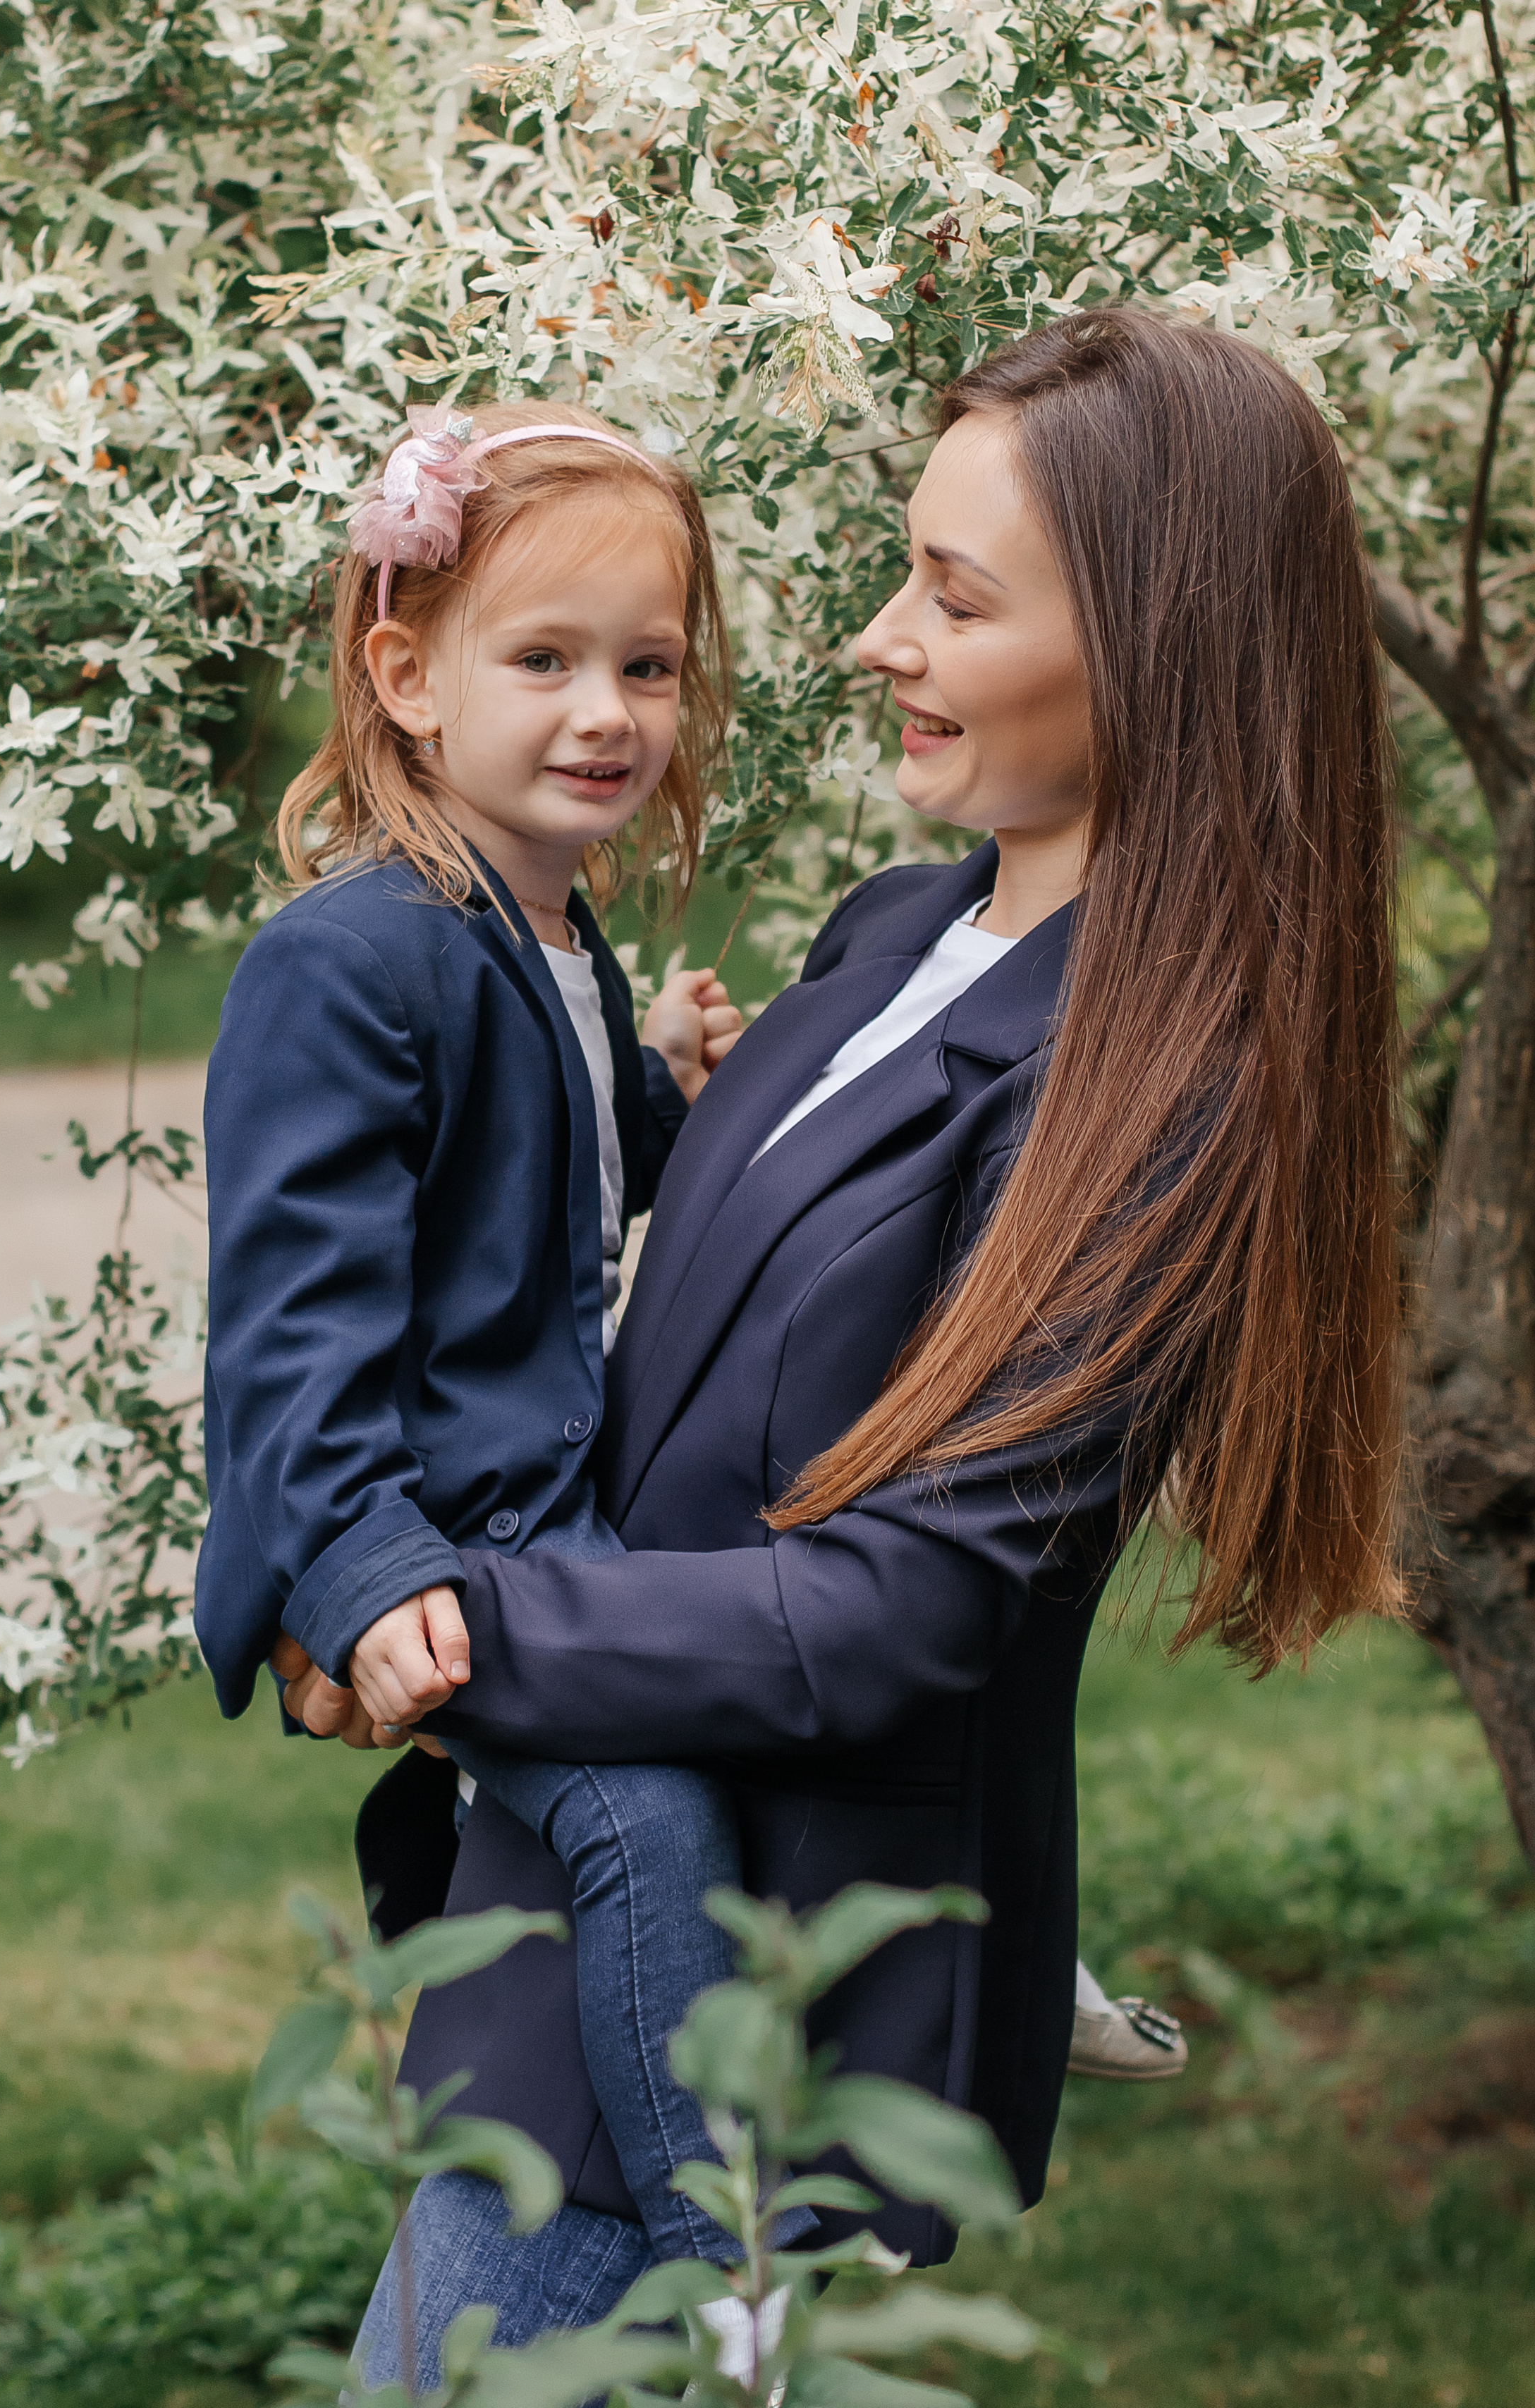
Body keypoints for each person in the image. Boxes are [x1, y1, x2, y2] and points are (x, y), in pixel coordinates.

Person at [301, 310, 1405, 2386]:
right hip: (575, 1882)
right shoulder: (896, 938)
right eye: (908, 569)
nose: (882, 638)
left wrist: (448, 1633)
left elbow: (906, 1609)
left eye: (957, 598)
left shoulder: (1155, 1097)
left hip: (740, 1999)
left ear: (1156, 648)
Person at [193, 402, 801, 2276]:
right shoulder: (350, 954)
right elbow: (293, 1332)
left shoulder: (543, 923)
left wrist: (663, 1103)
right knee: (647, 1819)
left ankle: (986, 1961)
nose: (606, 712)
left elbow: (535, 1189)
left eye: (646, 668)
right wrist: (366, 1573)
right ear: (409, 678)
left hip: (547, 1509)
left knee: (807, 1685)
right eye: (543, 662)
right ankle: (719, 2255)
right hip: (439, 1540)